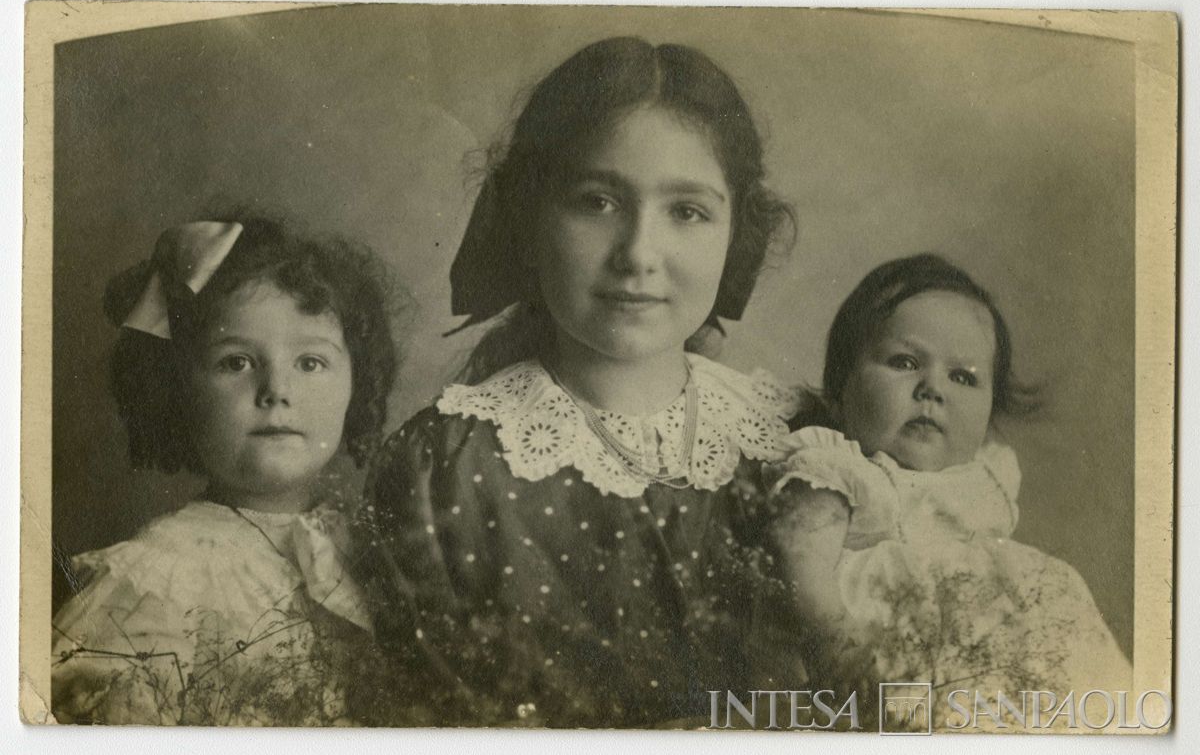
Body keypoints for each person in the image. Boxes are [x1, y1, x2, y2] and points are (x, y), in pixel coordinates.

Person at [355, 36, 802, 727]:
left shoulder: (797, 449)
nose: (639, 255)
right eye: (597, 201)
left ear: (736, 233)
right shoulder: (441, 466)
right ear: (528, 217)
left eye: (687, 211)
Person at [51, 216, 401, 725]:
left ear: (357, 382)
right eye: (236, 363)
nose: (276, 389)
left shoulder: (374, 546)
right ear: (176, 391)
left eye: (310, 363)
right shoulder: (157, 580)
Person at [769, 254, 1131, 728]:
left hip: (985, 655)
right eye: (905, 362)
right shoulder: (836, 465)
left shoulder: (988, 476)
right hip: (878, 648)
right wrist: (841, 655)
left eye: (963, 377)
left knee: (1057, 596)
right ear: (839, 392)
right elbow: (803, 573)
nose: (932, 388)